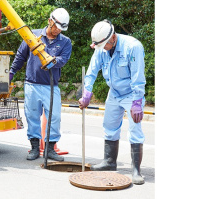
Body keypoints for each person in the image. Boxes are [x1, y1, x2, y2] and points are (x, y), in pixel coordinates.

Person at [78, 19, 146, 185]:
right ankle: (109, 162)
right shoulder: (102, 47)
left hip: (131, 93)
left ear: (113, 38)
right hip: (114, 92)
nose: (102, 50)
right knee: (109, 126)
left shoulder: (133, 47)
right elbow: (92, 71)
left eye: (104, 46)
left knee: (135, 128)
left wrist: (137, 102)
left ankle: (136, 170)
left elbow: (138, 77)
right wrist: (86, 92)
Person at [9, 8, 72, 162]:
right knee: (32, 117)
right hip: (32, 84)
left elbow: (64, 59)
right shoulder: (32, 36)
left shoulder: (65, 42)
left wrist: (54, 61)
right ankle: (35, 148)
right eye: (56, 26)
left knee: (54, 117)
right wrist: (11, 73)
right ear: (50, 20)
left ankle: (50, 149)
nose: (57, 30)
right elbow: (20, 56)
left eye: (61, 28)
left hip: (51, 86)